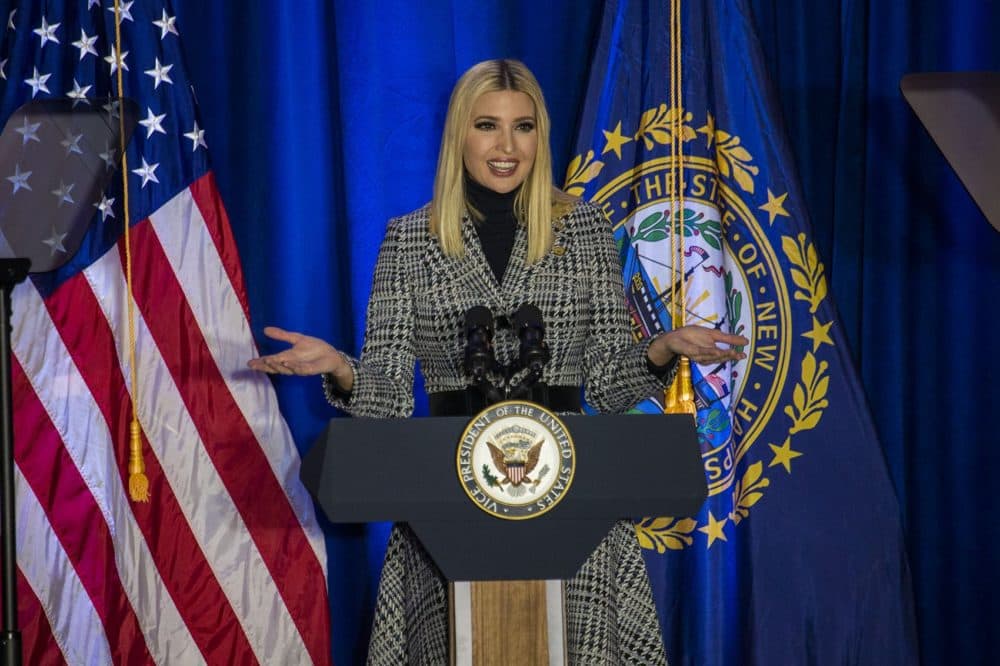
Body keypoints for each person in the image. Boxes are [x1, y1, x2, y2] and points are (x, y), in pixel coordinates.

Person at [249, 59, 747, 665]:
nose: (507, 146)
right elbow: (388, 398)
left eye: (524, 127)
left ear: (541, 136)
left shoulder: (585, 230)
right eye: (488, 125)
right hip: (447, 511)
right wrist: (340, 368)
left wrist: (659, 348)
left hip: (574, 507)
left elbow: (613, 388)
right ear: (460, 134)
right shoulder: (409, 239)